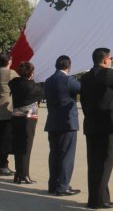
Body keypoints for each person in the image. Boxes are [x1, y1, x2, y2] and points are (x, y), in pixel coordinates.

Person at [80, 48, 113, 209]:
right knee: (106, 163)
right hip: (107, 124)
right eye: (111, 58)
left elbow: (83, 101)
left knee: (93, 163)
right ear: (106, 60)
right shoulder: (109, 74)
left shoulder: (85, 77)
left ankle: (96, 198)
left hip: (91, 123)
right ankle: (100, 200)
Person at [44, 55, 81, 196]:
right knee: (67, 155)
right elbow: (81, 89)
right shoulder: (68, 80)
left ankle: (53, 185)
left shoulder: (48, 81)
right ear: (69, 66)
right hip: (67, 122)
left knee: (54, 154)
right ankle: (63, 186)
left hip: (52, 121)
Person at [9, 61, 43, 184]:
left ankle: (18, 174)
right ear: (31, 73)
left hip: (16, 116)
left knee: (18, 146)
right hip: (28, 118)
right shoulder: (32, 86)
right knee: (26, 148)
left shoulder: (14, 83)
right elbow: (41, 93)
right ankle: (24, 174)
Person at [0, 52, 19, 176]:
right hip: (7, 109)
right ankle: (2, 165)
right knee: (5, 140)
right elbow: (20, 84)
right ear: (9, 61)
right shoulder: (10, 73)